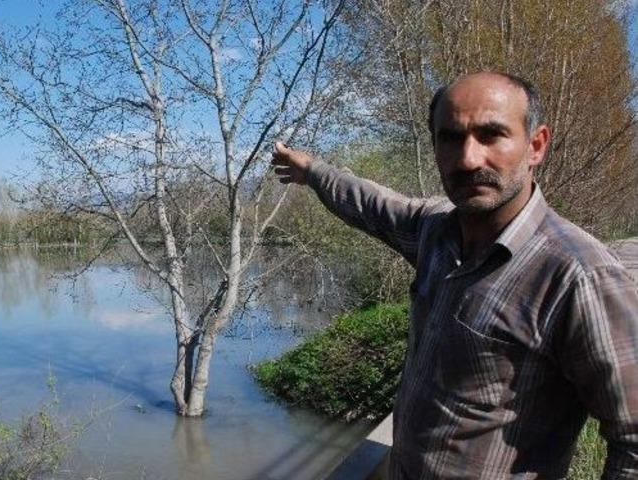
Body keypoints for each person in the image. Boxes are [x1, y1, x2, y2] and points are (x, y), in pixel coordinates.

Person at [272, 72, 638, 478]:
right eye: (450, 137)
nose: (468, 159)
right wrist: (312, 171)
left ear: (535, 145)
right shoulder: (435, 231)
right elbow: (372, 206)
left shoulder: (578, 276)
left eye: (491, 135)